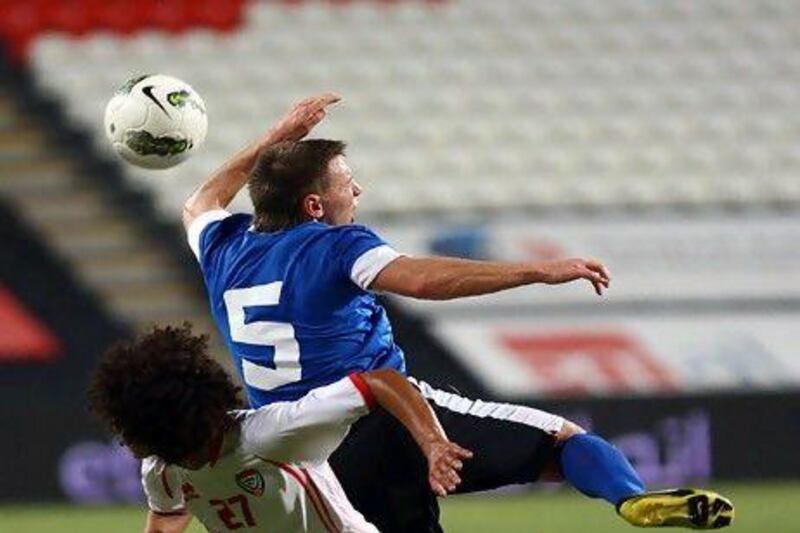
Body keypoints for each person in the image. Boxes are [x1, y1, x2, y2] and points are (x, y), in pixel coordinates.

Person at [181, 93, 734, 531]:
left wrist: (277, 140)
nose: (359, 191)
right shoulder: (335, 245)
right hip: (383, 420)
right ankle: (631, 500)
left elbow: (201, 200)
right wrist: (535, 271)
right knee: (567, 444)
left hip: (303, 463)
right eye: (349, 185)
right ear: (314, 206)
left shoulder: (223, 247)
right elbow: (420, 279)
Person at [87, 323, 473, 533]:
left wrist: (433, 442)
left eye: (193, 446)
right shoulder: (164, 467)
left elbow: (380, 381)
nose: (191, 459)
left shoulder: (271, 434)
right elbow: (169, 514)